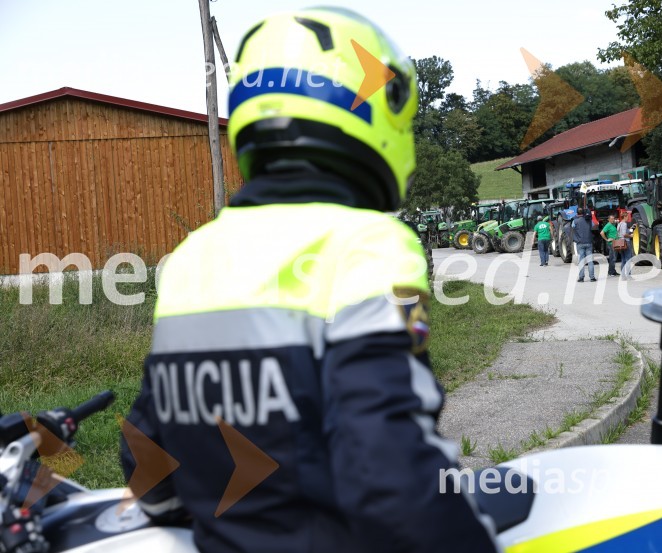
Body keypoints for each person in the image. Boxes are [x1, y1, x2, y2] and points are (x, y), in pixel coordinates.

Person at [120, 9, 499, 553]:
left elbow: (147, 463)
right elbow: (387, 461)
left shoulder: (191, 258)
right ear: (376, 109)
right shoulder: (366, 243)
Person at [572, 208, 595, 282]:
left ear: (577, 213)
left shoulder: (575, 221)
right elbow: (593, 225)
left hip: (580, 242)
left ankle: (581, 277)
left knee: (581, 261)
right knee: (590, 260)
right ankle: (592, 277)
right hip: (588, 242)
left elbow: (572, 227)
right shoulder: (588, 220)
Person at [616, 215, 633, 280]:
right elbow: (624, 234)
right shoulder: (624, 224)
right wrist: (631, 236)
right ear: (624, 217)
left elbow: (619, 234)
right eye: (627, 217)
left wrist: (631, 229)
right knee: (628, 259)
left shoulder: (619, 224)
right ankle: (628, 275)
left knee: (623, 260)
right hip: (626, 242)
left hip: (620, 243)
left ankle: (623, 276)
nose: (628, 218)